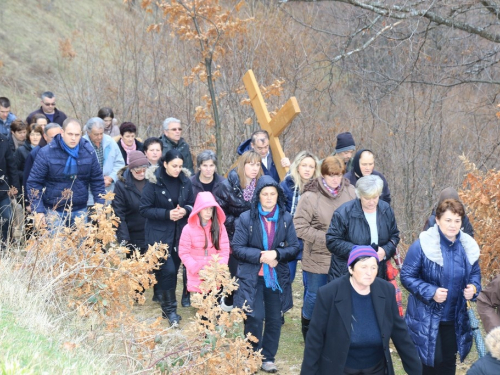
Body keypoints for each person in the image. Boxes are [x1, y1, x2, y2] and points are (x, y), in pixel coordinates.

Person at [301, 246, 422, 375]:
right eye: (363, 267)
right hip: (340, 368)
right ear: (350, 268)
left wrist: (417, 371)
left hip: (377, 368)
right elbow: (315, 339)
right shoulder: (329, 293)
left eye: (373, 267)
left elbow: (400, 334)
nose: (369, 272)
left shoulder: (386, 290)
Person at [401, 198, 482, 375]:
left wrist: (474, 288)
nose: (453, 225)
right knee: (429, 364)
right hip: (426, 317)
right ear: (437, 220)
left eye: (457, 220)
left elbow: (476, 274)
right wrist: (431, 292)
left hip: (455, 319)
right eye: (448, 220)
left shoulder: (468, 246)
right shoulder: (423, 245)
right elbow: (406, 276)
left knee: (447, 364)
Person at [232, 175, 300, 373]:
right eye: (265, 194)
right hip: (252, 276)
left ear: (278, 195)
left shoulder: (285, 218)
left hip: (276, 277)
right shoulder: (247, 218)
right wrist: (262, 256)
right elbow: (237, 248)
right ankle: (251, 357)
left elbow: (294, 247)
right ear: (258, 196)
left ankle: (268, 357)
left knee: (274, 318)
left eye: (273, 194)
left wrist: (278, 254)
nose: (269, 198)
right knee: (254, 317)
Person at [294, 155, 356, 340]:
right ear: (323, 175)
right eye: (331, 175)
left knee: (342, 296)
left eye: (338, 175)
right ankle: (309, 331)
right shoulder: (310, 196)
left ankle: (336, 335)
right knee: (315, 296)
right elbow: (299, 227)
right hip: (317, 256)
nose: (335, 179)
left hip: (344, 255)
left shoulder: (351, 192)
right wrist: (329, 239)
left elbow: (359, 219)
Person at [139, 149, 194, 325]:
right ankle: (171, 312)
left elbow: (192, 203)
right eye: (174, 166)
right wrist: (167, 214)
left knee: (171, 270)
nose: (177, 169)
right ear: (165, 164)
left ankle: (165, 305)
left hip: (179, 234)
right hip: (158, 234)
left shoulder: (186, 181)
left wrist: (186, 210)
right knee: (168, 271)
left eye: (180, 166)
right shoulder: (154, 182)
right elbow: (144, 209)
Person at [26, 118, 105, 227]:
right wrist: (38, 210)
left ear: (81, 134)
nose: (73, 138)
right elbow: (34, 182)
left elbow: (97, 180)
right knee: (57, 244)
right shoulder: (46, 152)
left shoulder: (88, 151)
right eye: (70, 134)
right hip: (53, 210)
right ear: (62, 133)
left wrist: (100, 205)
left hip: (80, 209)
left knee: (80, 244)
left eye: (77, 135)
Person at [212, 150, 263, 310]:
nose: (255, 168)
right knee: (233, 278)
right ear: (243, 165)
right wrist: (240, 223)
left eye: (258, 164)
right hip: (233, 237)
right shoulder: (227, 186)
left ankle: (247, 309)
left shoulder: (262, 185)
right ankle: (227, 304)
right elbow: (218, 213)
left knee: (251, 278)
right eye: (251, 164)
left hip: (256, 239)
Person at [326, 174, 399, 281]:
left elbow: (394, 236)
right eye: (367, 198)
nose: (371, 202)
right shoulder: (343, 213)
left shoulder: (386, 210)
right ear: (359, 195)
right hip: (347, 273)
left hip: (377, 272)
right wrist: (360, 252)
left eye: (375, 197)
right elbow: (332, 241)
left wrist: (385, 251)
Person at [280, 151, 320, 285]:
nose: (307, 169)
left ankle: (307, 307)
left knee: (309, 282)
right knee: (287, 277)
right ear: (297, 166)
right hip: (289, 237)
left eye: (311, 166)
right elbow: (280, 211)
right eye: (304, 165)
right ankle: (282, 305)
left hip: (310, 240)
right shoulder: (286, 184)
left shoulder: (319, 188)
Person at [178, 192, 230, 293]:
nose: (208, 212)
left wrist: (217, 268)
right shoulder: (188, 229)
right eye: (205, 208)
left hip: (215, 274)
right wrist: (197, 269)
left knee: (214, 303)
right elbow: (184, 253)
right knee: (202, 304)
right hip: (197, 275)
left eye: (211, 209)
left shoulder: (220, 227)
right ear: (198, 209)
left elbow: (224, 250)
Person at [112, 151, 149, 256]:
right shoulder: (121, 186)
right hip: (133, 235)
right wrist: (124, 240)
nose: (142, 173)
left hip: (152, 233)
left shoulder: (152, 180)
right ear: (131, 169)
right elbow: (118, 214)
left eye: (144, 170)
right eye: (138, 171)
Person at [83, 117, 124, 207]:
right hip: (89, 194)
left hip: (110, 191)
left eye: (101, 133)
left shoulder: (110, 141)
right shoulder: (82, 144)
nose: (99, 137)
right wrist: (98, 180)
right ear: (88, 132)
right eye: (96, 134)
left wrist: (111, 177)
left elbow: (119, 163)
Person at [23, 123, 62, 198]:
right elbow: (28, 179)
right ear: (45, 137)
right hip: (43, 197)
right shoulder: (36, 153)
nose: (57, 140)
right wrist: (28, 201)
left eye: (59, 137)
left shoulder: (67, 151)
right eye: (53, 138)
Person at [0, 130, 20, 242]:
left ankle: (5, 244)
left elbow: (11, 165)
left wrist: (14, 186)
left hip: (2, 188)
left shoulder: (3, 140)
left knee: (7, 217)